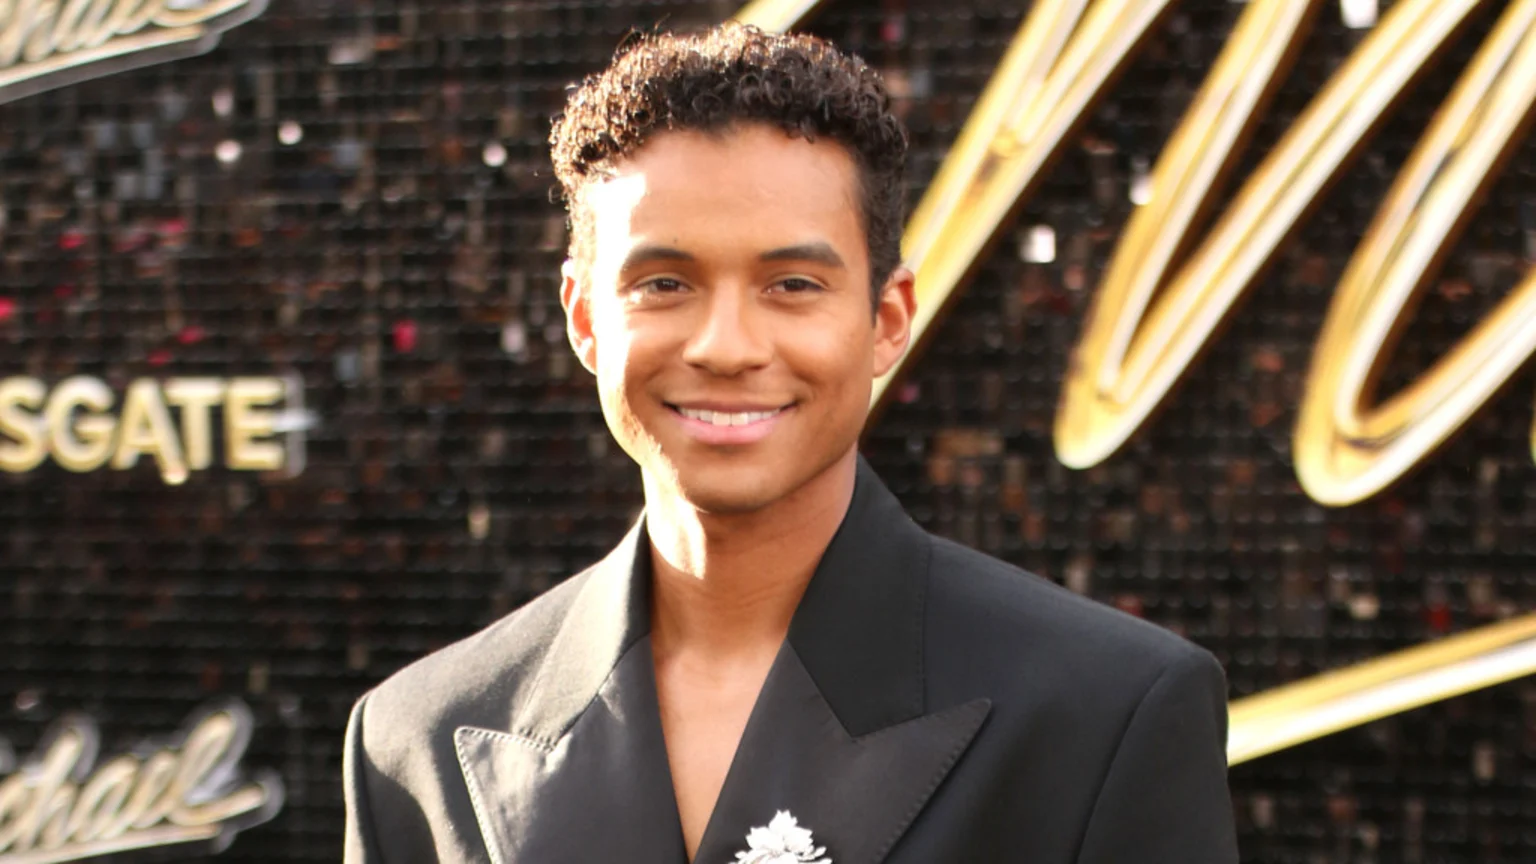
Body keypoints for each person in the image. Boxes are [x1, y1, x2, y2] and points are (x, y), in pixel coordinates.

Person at [343, 22, 1238, 863]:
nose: (726, 347)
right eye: (663, 283)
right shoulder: (412, 744)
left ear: (887, 320)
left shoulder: (1108, 713)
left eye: (793, 284)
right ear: (583, 317)